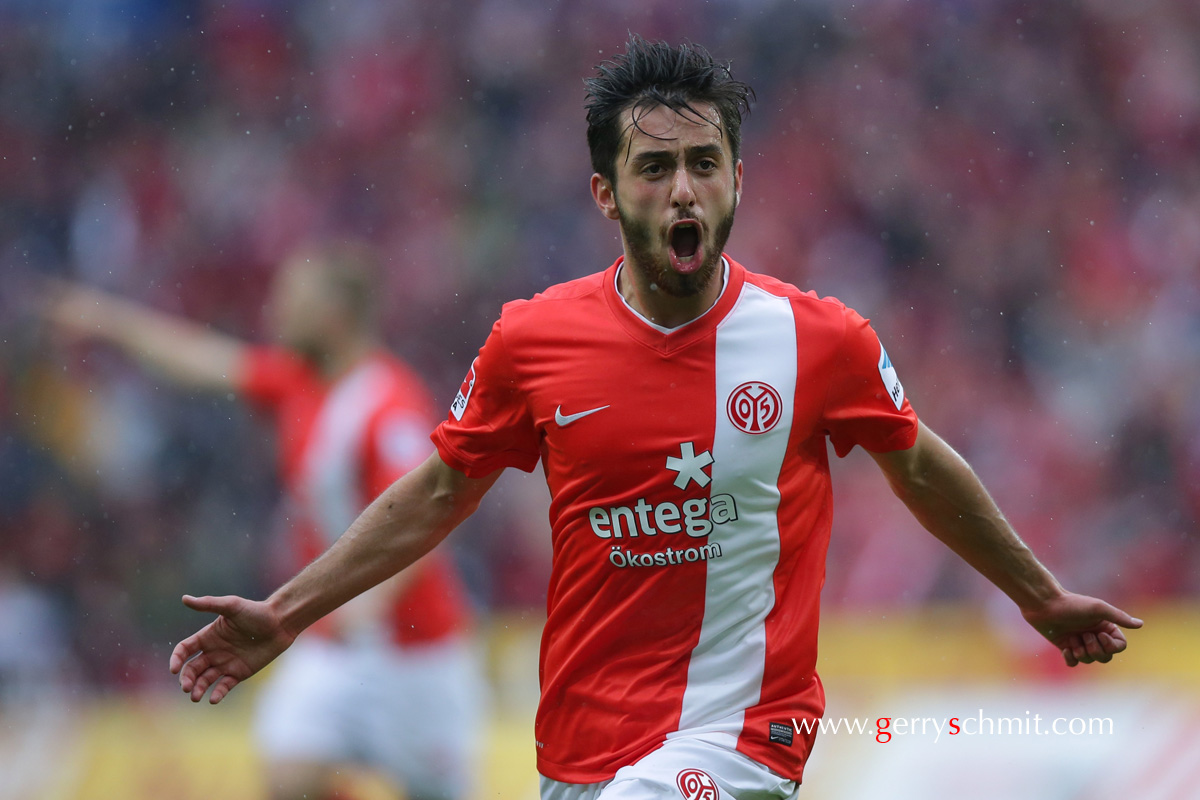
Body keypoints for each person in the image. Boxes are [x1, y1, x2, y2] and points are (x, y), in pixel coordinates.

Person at [169, 38, 1141, 800]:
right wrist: (288, 612)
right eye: (656, 167)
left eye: (705, 163)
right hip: (583, 738)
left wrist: (1037, 594)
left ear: (737, 180)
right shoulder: (532, 340)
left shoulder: (820, 339)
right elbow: (434, 494)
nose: (683, 188)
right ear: (606, 192)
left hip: (748, 729)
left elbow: (922, 467)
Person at [47, 242, 483, 800]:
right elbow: (200, 359)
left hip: (416, 654)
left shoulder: (389, 402)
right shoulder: (297, 381)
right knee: (289, 776)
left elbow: (429, 525)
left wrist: (367, 603)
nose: (275, 313)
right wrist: (110, 321)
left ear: (334, 315)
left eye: (292, 301)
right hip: (330, 642)